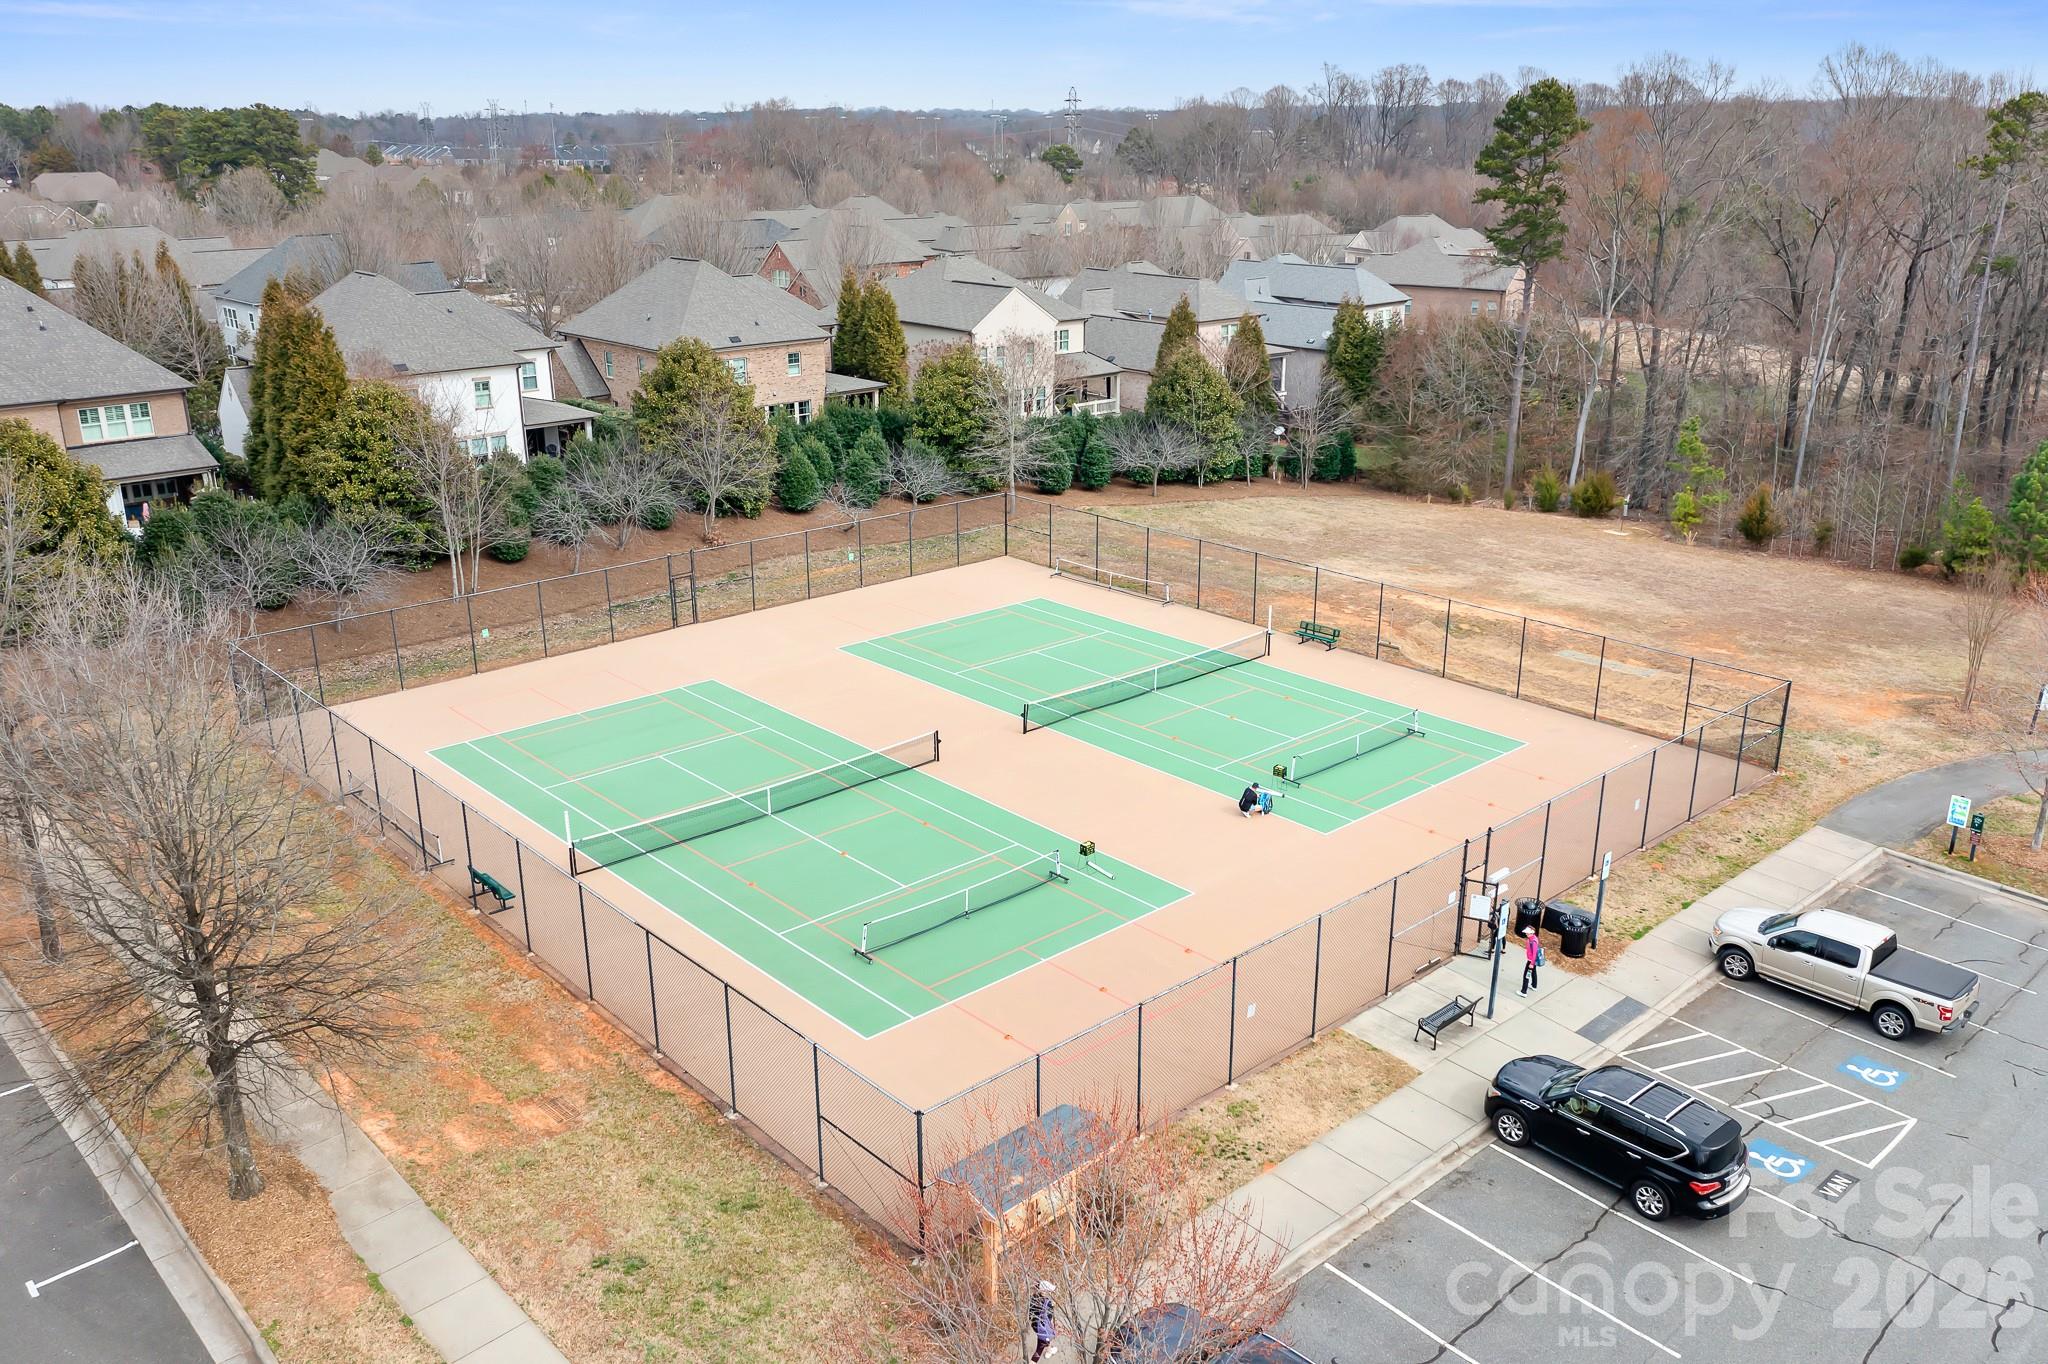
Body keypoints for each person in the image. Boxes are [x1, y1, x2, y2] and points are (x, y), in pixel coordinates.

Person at [1029, 1280, 1057, 1360]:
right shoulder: (1047, 1303)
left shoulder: (1034, 1298)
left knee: (1048, 1338)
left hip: (1035, 1325)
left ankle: (1049, 1349)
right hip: (1043, 1329)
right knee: (1038, 1351)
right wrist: (1052, 1306)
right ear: (1044, 1291)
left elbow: (1030, 1313)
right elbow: (1049, 1318)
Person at [1520, 926, 1542, 995]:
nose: (1526, 934)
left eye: (1527, 933)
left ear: (1531, 933)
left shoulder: (1533, 941)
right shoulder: (1532, 938)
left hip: (1531, 961)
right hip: (1532, 961)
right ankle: (1534, 985)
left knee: (1526, 975)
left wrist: (1532, 963)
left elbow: (1534, 954)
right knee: (1533, 972)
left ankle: (1523, 991)